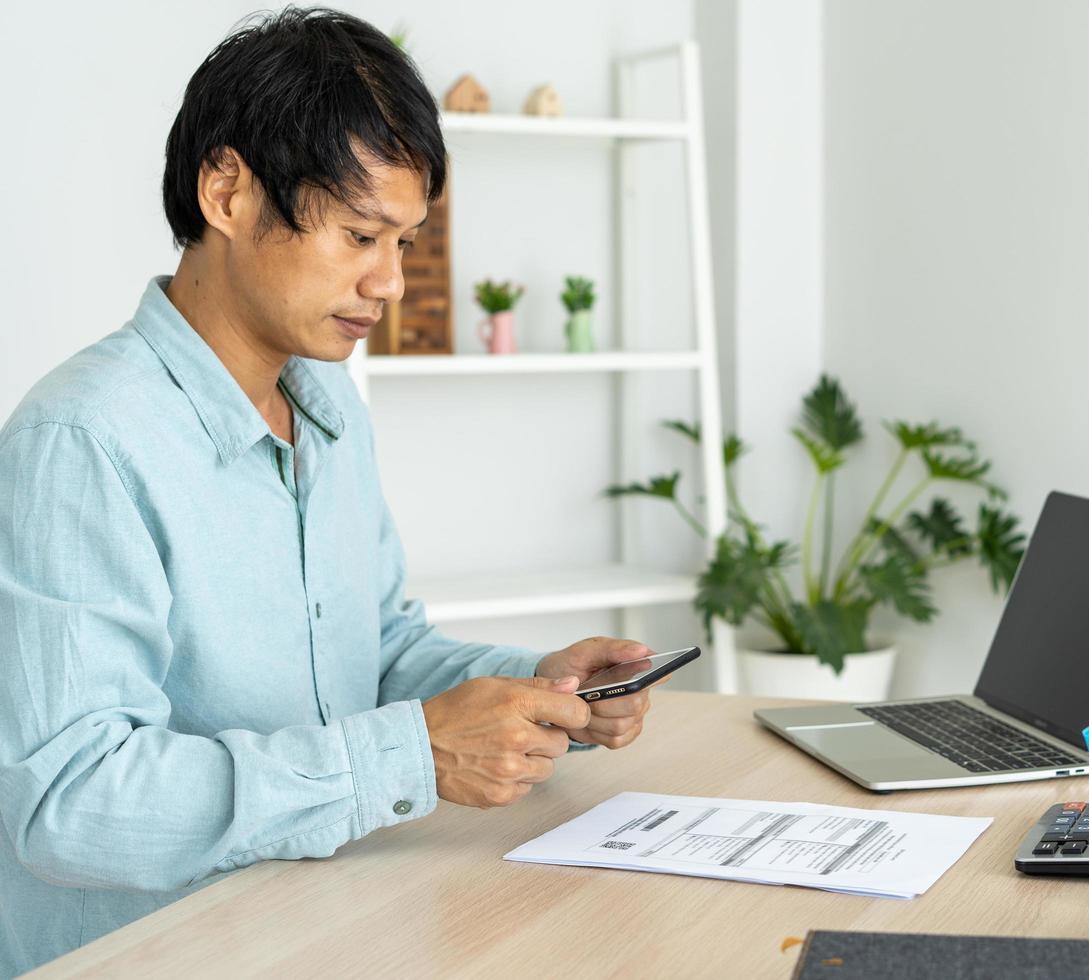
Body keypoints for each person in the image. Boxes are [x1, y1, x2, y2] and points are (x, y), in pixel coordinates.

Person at [0, 8, 662, 975]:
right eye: (360, 235)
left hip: (329, 922)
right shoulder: (83, 442)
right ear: (226, 191)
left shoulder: (326, 407)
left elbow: (374, 654)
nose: (390, 281)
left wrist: (538, 688)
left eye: (405, 241)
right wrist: (412, 757)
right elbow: (71, 803)